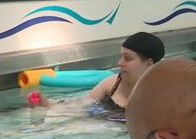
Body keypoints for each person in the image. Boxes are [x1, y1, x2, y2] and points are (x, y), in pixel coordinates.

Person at [30, 32, 165, 121]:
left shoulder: (163, 96)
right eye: (121, 56)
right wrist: (47, 104)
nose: (119, 63)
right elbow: (81, 105)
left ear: (148, 64)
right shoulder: (112, 84)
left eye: (127, 58)